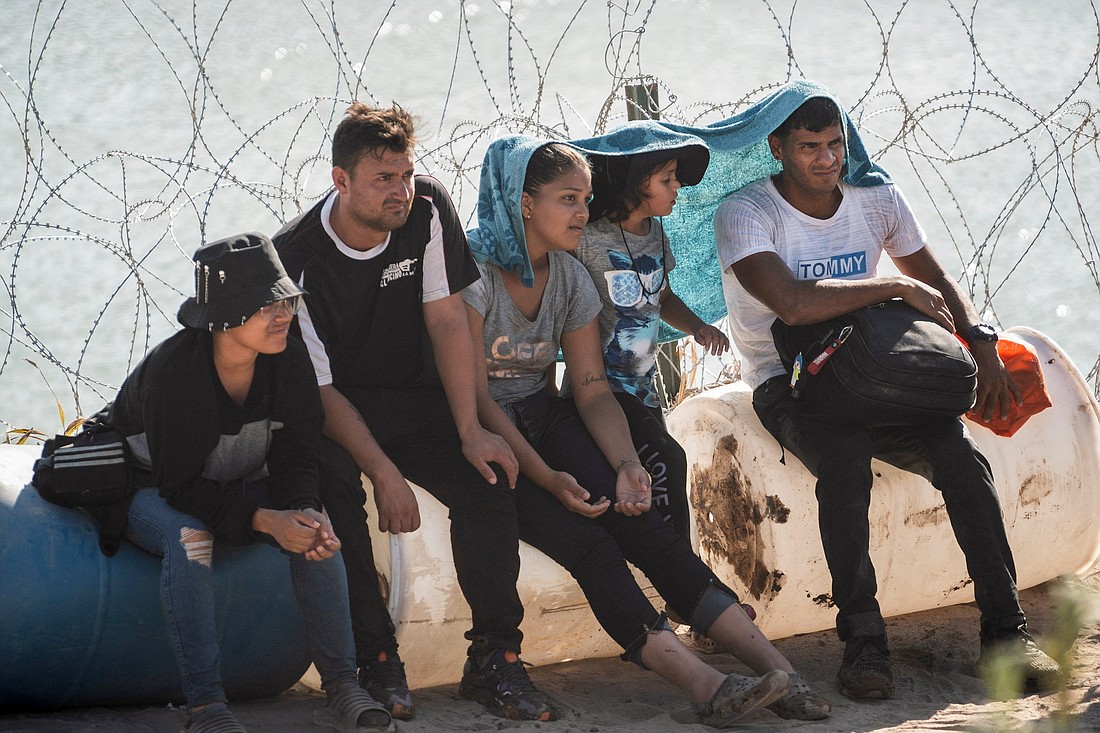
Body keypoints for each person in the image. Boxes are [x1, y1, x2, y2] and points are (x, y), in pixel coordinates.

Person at [462, 135, 832, 724]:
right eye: (567, 200)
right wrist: (550, 478)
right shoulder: (473, 275)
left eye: (585, 198)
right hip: (486, 433)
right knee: (592, 546)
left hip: (544, 416)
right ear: (524, 203)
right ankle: (703, 685)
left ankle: (780, 674)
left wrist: (626, 462)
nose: (583, 213)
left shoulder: (571, 279)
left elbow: (589, 387)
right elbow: (474, 398)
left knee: (647, 528)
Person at [713, 90, 1062, 700]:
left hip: (879, 371)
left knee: (963, 461)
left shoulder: (875, 197)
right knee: (844, 466)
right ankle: (864, 643)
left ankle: (1007, 634)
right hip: (792, 381)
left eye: (835, 145)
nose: (826, 160)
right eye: (809, 148)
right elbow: (792, 304)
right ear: (777, 149)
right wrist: (886, 288)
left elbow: (935, 280)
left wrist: (980, 347)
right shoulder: (747, 213)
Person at [272, 102, 556, 723]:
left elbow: (448, 319)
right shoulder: (296, 258)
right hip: (334, 411)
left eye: (404, 173)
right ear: (339, 180)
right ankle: (374, 655)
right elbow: (317, 390)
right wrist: (384, 473)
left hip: (412, 396)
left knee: (487, 477)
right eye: (382, 179)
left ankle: (495, 659)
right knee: (334, 488)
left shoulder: (425, 207)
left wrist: (471, 429)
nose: (400, 190)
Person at [94, 233, 392, 733]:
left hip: (231, 484)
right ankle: (206, 707)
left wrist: (301, 507)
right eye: (267, 304)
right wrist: (261, 519)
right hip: (151, 489)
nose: (284, 315)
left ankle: (343, 685)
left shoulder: (289, 359)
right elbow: (180, 487)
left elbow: (300, 454)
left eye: (288, 300)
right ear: (225, 318)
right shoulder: (176, 373)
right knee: (191, 538)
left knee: (316, 531)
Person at [568, 126, 730, 536]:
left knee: (656, 483)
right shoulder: (587, 239)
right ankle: (689, 585)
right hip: (600, 390)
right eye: (667, 179)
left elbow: (663, 295)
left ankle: (676, 583)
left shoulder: (655, 232)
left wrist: (697, 327)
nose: (677, 187)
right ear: (637, 183)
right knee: (669, 462)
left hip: (645, 389)